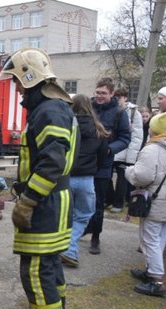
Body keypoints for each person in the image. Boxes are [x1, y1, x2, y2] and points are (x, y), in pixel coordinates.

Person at [0, 48, 77, 309]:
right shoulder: (53, 108)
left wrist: (28, 200)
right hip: (54, 202)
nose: (16, 88)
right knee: (51, 267)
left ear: (29, 78)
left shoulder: (49, 112)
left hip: (46, 204)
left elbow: (52, 162)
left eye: (17, 81)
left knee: (37, 271)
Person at [126, 111, 166, 297]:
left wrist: (129, 171)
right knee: (158, 240)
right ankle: (151, 271)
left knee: (149, 240)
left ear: (154, 129)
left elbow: (142, 176)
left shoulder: (152, 149)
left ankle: (157, 281)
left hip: (156, 201)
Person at [59, 94, 109, 268]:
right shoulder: (99, 130)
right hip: (87, 180)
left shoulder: (65, 126)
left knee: (64, 216)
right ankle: (70, 250)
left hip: (66, 178)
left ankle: (63, 249)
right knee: (83, 216)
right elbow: (103, 156)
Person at [86, 77, 130, 254]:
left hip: (103, 165)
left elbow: (125, 138)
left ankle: (95, 237)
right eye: (97, 92)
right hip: (83, 161)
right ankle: (85, 227)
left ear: (112, 94)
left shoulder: (119, 112)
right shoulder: (88, 107)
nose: (99, 96)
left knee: (97, 203)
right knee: (81, 200)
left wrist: (110, 150)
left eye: (103, 93)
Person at [108, 86, 143, 213]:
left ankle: (118, 203)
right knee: (106, 177)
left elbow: (137, 136)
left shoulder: (134, 113)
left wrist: (131, 156)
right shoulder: (111, 110)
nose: (117, 100)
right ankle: (110, 199)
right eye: (115, 97)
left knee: (122, 180)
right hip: (111, 150)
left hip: (125, 151)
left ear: (125, 98)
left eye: (120, 97)